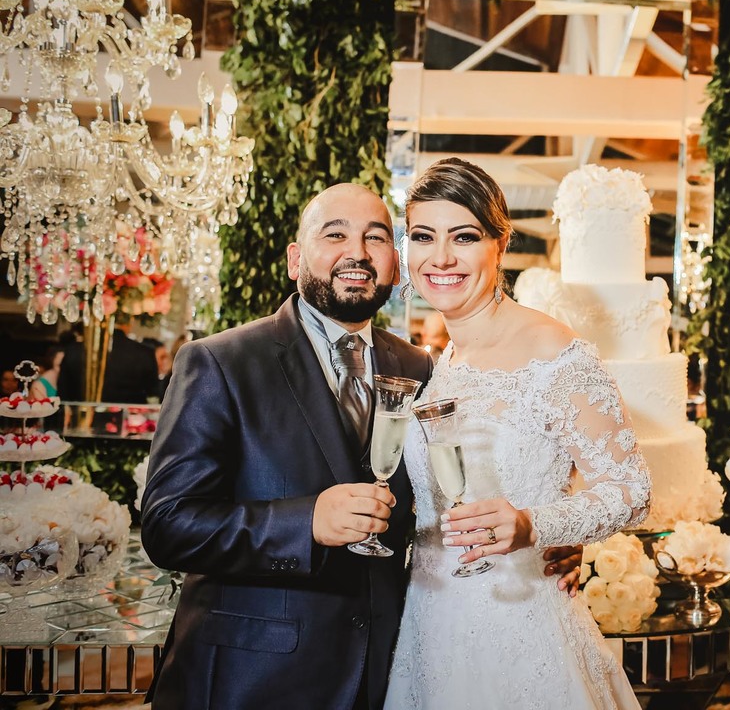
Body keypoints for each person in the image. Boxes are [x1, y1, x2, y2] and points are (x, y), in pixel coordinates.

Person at [140, 183, 584, 710]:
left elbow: (447, 493)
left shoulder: (422, 368)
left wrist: (547, 534)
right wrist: (303, 523)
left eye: (376, 237)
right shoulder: (220, 362)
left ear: (395, 264)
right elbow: (168, 525)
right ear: (295, 259)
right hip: (252, 676)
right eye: (336, 235)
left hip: (386, 670)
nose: (357, 252)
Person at [384, 158, 651, 709]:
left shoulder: (554, 352)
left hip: (523, 625)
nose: (442, 258)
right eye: (423, 237)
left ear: (499, 244)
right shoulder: (442, 363)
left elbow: (632, 489)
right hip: (433, 623)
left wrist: (538, 525)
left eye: (464, 237)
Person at [58, 320, 160, 404]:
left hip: (83, 419)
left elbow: (63, 390)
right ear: (129, 322)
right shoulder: (144, 352)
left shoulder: (74, 350)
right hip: (130, 420)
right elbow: (152, 391)